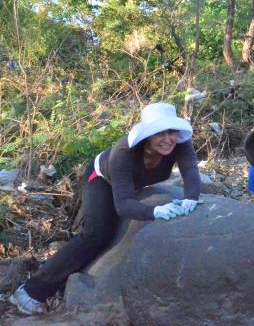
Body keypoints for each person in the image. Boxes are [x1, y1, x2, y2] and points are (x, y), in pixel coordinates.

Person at [10, 102, 202, 315]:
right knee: (97, 234)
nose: (168, 139)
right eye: (160, 133)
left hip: (130, 183)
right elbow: (123, 205)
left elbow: (190, 171)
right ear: (148, 135)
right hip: (102, 179)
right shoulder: (123, 152)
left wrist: (191, 198)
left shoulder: (181, 144)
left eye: (171, 132)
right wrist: (154, 211)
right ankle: (30, 291)